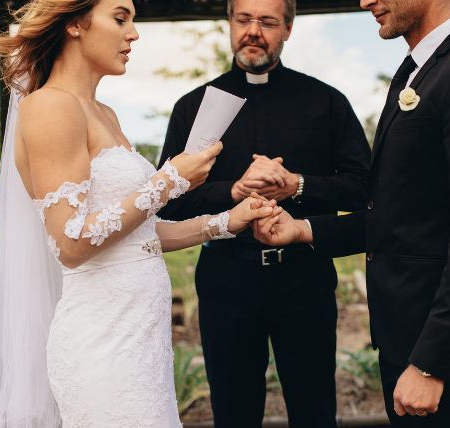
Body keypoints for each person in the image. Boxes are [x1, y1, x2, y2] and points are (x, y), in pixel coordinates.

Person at [0, 0, 277, 426]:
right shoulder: (50, 106)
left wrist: (226, 222)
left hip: (142, 343)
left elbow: (138, 238)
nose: (134, 34)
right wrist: (170, 179)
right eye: (120, 18)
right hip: (101, 345)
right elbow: (71, 243)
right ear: (75, 23)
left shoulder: (105, 113)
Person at [253, 0, 450, 426]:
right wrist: (303, 230)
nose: (365, 1)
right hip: (406, 342)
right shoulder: (414, 72)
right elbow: (400, 218)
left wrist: (431, 364)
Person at [157, 0, 371, 426]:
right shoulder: (193, 107)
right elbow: (170, 202)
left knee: (314, 411)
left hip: (304, 280)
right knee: (234, 414)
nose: (253, 31)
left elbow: (365, 189)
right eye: (243, 19)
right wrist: (232, 191)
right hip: (225, 283)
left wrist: (298, 184)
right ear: (230, 24)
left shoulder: (326, 102)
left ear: (287, 29)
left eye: (267, 22)